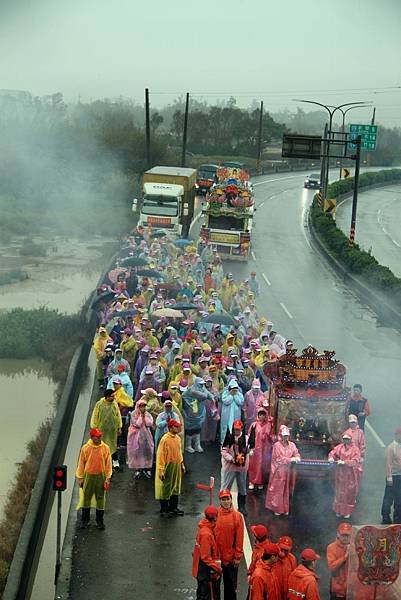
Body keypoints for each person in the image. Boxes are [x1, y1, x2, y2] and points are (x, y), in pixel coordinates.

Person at [75, 428, 112, 530]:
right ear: (92, 437)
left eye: (100, 436)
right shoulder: (85, 448)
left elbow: (108, 464)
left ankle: (99, 521)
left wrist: (108, 478)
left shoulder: (105, 448)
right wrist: (80, 477)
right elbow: (81, 463)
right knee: (86, 497)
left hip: (101, 475)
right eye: (97, 436)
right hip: (88, 476)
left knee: (100, 499)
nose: (99, 438)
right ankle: (84, 520)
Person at [214, 489, 244, 600]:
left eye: (228, 499)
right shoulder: (215, 515)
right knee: (215, 586)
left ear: (231, 500)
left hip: (230, 558)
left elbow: (239, 539)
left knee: (230, 587)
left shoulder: (237, 517)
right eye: (223, 499)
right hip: (217, 558)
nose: (226, 502)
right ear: (220, 501)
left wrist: (237, 556)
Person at [265, 425, 300, 516]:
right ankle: (277, 508)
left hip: (288, 471)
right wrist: (290, 459)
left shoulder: (292, 445)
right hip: (278, 471)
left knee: (286, 490)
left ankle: (284, 508)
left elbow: (296, 452)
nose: (286, 437)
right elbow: (278, 459)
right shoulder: (277, 445)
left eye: (287, 435)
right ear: (280, 435)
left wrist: (297, 457)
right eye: (284, 435)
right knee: (278, 490)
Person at [155, 419, 186, 517]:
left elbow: (179, 452)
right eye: (176, 426)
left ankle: (173, 507)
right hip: (167, 466)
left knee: (175, 486)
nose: (178, 428)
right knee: (165, 487)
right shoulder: (165, 439)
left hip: (176, 465)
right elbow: (160, 455)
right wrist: (161, 470)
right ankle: (164, 509)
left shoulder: (177, 438)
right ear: (170, 428)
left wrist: (182, 464)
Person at [192, 505, 222, 600]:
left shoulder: (204, 528)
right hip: (205, 573)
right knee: (206, 596)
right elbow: (205, 557)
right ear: (215, 518)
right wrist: (217, 568)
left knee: (201, 594)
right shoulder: (206, 534)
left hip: (201, 571)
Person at [221, 420, 251, 515]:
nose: (236, 431)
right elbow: (224, 451)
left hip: (242, 468)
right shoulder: (229, 438)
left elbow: (250, 449)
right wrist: (232, 459)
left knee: (242, 487)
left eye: (238, 429)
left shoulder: (246, 438)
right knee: (226, 487)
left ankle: (241, 507)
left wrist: (248, 452)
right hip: (230, 467)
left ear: (241, 429)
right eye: (235, 429)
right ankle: (224, 507)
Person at [328, 432, 361, 518]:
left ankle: (347, 511)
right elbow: (333, 453)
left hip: (350, 475)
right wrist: (331, 458)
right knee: (339, 492)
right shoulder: (340, 447)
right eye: (345, 439)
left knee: (349, 493)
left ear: (351, 439)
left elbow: (355, 461)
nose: (346, 440)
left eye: (347, 439)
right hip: (340, 473)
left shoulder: (355, 449)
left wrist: (345, 462)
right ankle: (338, 510)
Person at [90, 389, 122, 470]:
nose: (114, 398)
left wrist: (119, 427)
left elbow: (118, 415)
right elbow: (95, 416)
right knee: (102, 446)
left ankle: (115, 461)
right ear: (107, 397)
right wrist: (94, 428)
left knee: (113, 445)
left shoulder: (114, 404)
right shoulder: (99, 404)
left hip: (112, 430)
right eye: (112, 396)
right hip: (102, 430)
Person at [126, 398, 154, 480]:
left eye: (144, 406)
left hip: (146, 437)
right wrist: (141, 416)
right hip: (135, 436)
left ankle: (147, 468)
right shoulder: (134, 414)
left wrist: (144, 416)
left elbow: (149, 423)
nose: (142, 408)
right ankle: (138, 469)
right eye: (141, 406)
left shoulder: (147, 414)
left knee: (147, 451)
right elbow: (137, 424)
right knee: (136, 452)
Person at [248, 408, 274, 491]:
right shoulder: (254, 425)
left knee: (263, 466)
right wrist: (250, 448)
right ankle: (252, 481)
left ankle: (260, 482)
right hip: (255, 449)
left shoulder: (268, 425)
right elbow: (250, 437)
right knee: (253, 465)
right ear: (258, 415)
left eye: (263, 415)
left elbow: (270, 436)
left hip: (265, 449)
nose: (261, 416)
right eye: (260, 415)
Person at [326, 522, 352, 600]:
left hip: (351, 590)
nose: (345, 538)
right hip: (337, 590)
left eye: (347, 535)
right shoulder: (331, 547)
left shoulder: (355, 547)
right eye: (343, 535)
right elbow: (332, 567)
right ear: (338, 534)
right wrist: (345, 557)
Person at [381, 426, 401, 524]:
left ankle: (398, 517)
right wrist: (389, 477)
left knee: (399, 498)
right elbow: (388, 463)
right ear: (397, 435)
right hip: (393, 476)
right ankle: (385, 516)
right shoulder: (391, 447)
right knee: (389, 498)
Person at [220, 380, 244, 444]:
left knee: (235, 428)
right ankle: (223, 443)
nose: (234, 390)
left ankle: (233, 442)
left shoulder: (239, 394)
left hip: (236, 415)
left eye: (235, 388)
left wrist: (235, 396)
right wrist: (231, 395)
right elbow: (225, 401)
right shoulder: (225, 393)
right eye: (232, 388)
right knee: (225, 428)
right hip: (226, 415)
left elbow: (241, 402)